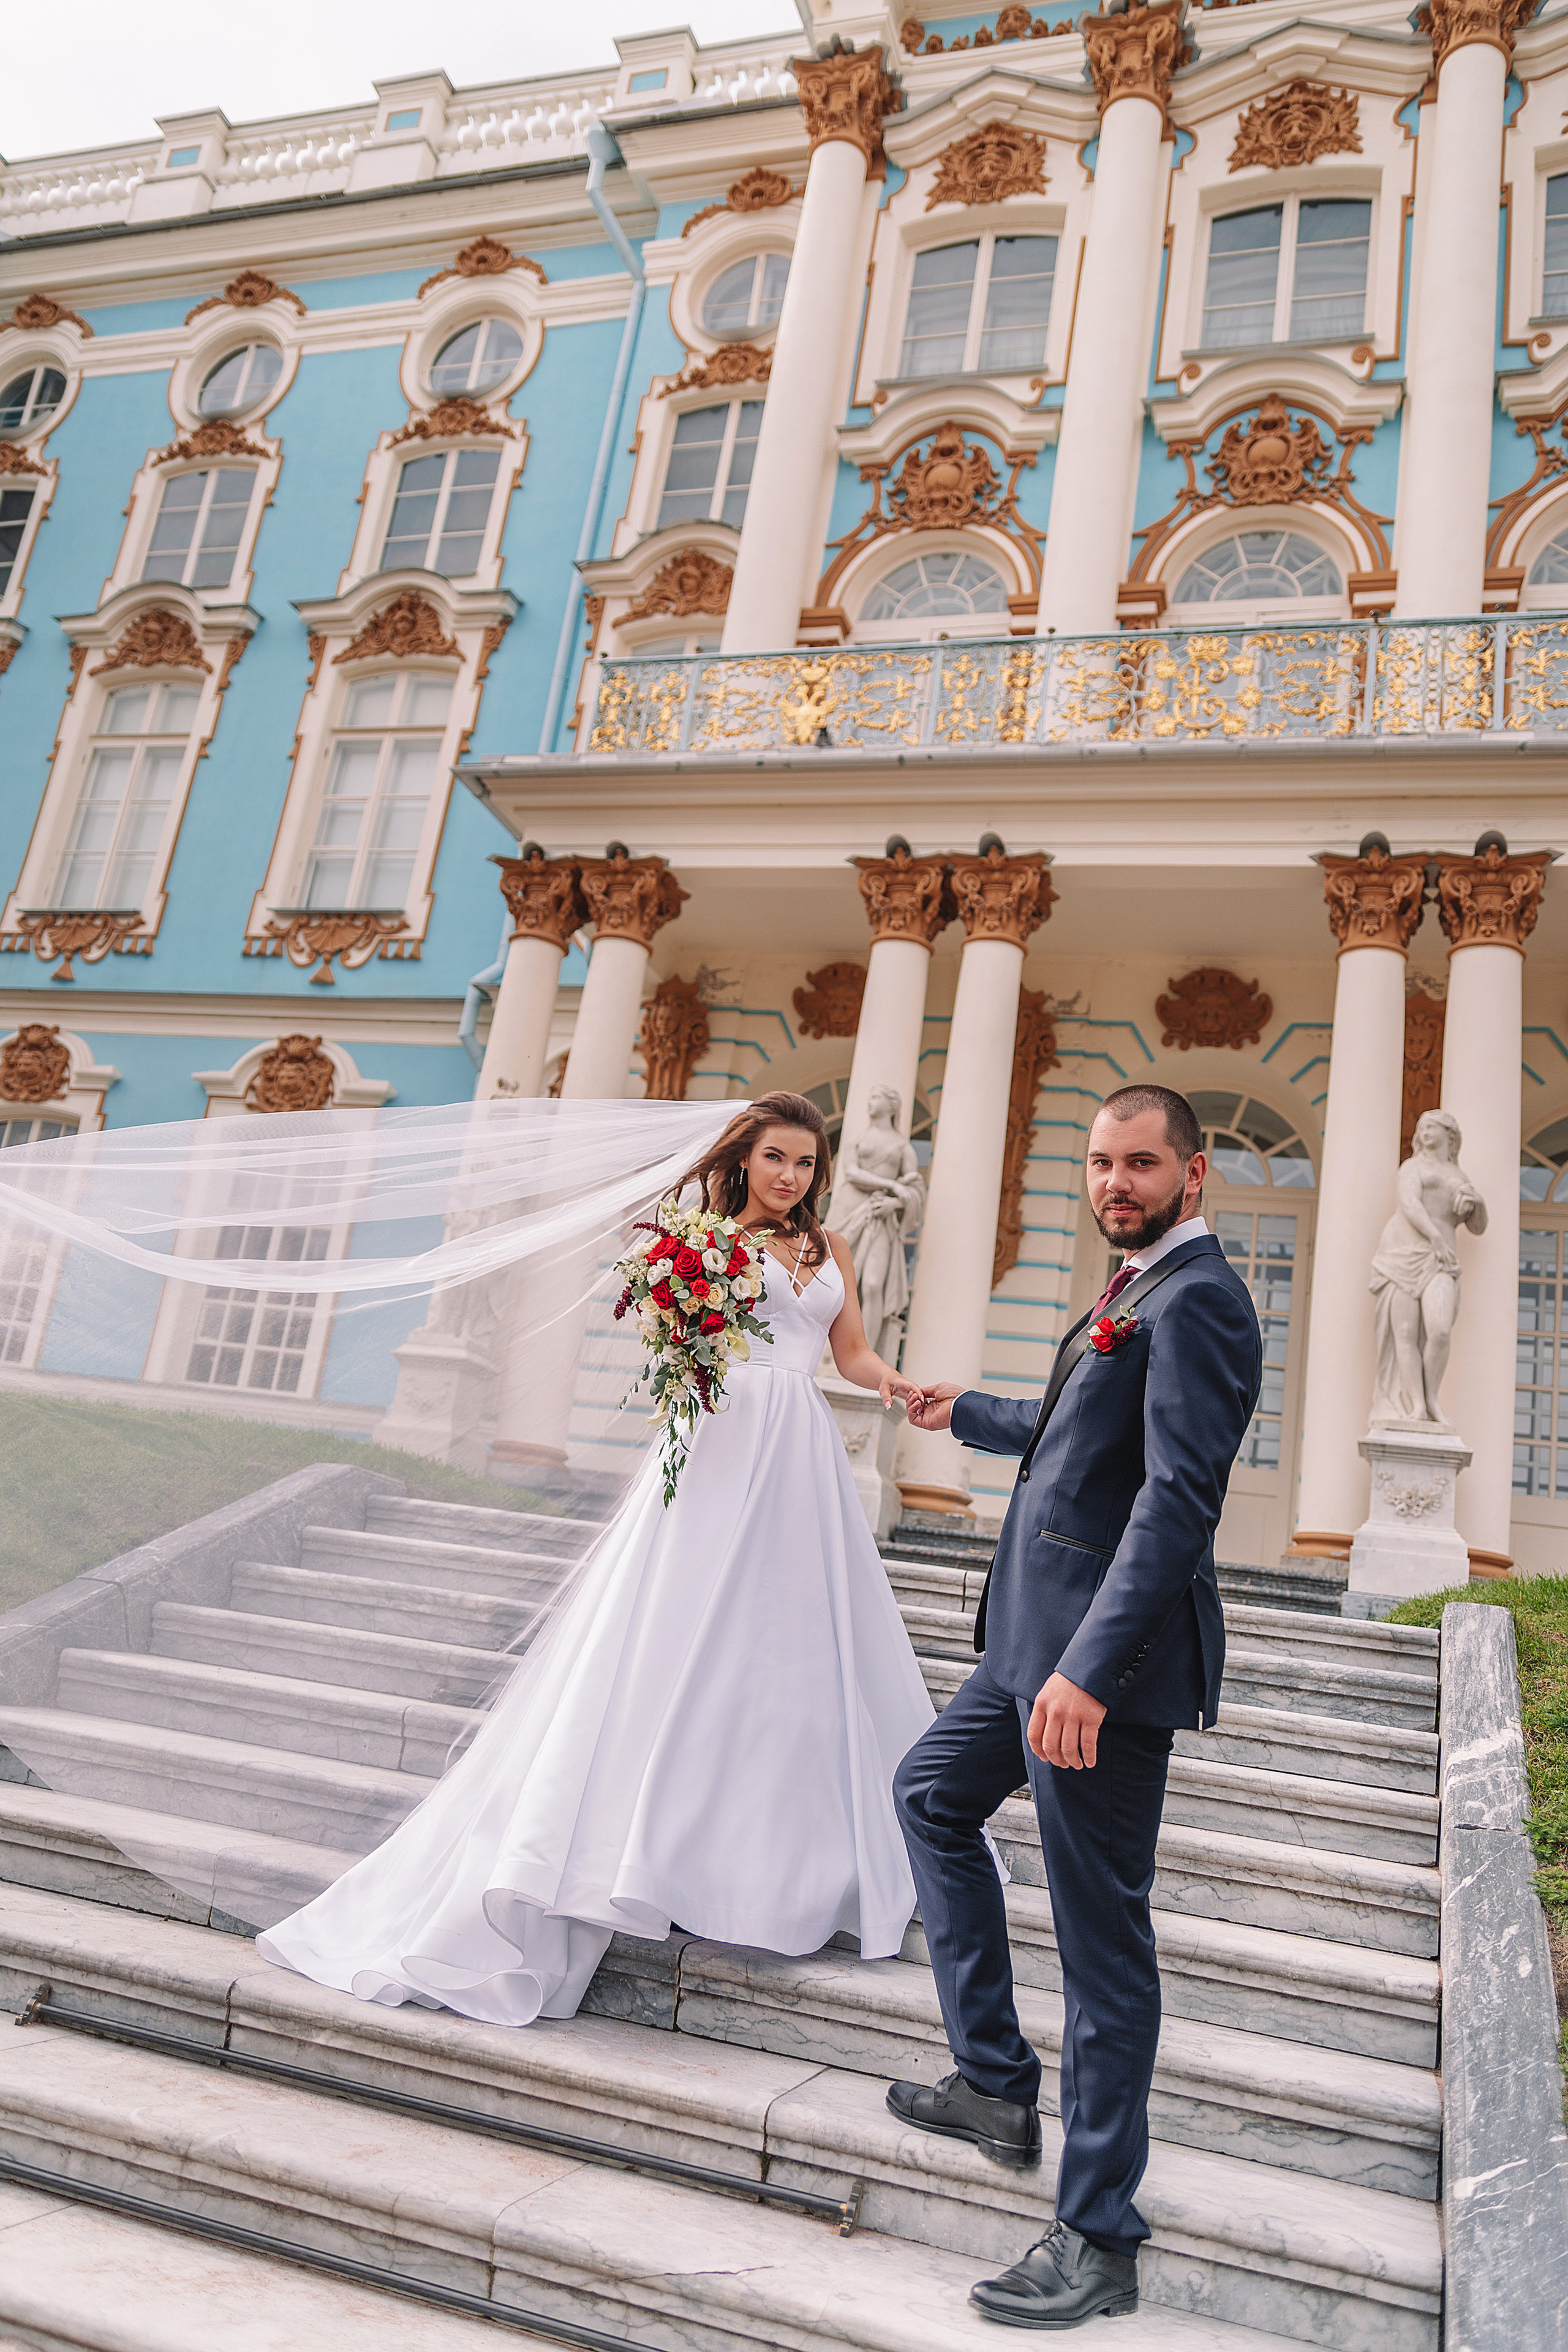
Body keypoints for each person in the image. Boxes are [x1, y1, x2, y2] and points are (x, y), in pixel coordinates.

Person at [257, 1091, 935, 2024]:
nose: (793, 1178)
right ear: (744, 1161)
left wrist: (898, 1384)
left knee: (793, 1646)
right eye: (778, 1159)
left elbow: (848, 1352)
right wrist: (685, 1325)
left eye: (807, 1164)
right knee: (675, 1628)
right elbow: (677, 1344)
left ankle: (780, 1859)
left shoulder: (830, 1251)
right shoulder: (699, 1241)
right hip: (718, 1440)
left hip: (799, 1449)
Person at [891, 1085, 1262, 2330]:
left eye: (1140, 1163)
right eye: (1102, 1162)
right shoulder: (1127, 1291)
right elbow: (1068, 1436)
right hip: (1025, 1651)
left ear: (1191, 1172)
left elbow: (1172, 1501)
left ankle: (1097, 2232)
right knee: (928, 1797)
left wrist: (1090, 1671)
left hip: (1090, 1677)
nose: (1115, 1182)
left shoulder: (1197, 1300)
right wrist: (961, 1409)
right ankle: (994, 2079)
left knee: (1102, 1946)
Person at [1369, 1106, 1487, 1425]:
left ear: (1450, 1135)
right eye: (1421, 1128)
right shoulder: (1411, 1167)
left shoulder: (1460, 1177)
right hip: (1402, 1252)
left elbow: (1477, 1227)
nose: (1424, 1133)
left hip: (1440, 1260)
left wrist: (1478, 1204)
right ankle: (1417, 1405)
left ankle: (1432, 1397)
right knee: (1404, 1333)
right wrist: (1436, 1238)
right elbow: (1409, 1204)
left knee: (1440, 1331)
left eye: (1431, 1127)